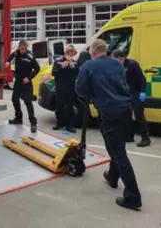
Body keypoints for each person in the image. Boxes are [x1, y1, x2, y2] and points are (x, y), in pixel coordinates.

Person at [76, 39, 142, 210]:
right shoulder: (118, 64)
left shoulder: (88, 66)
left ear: (93, 51)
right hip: (126, 109)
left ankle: (133, 196)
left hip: (109, 110)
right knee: (116, 146)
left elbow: (81, 91)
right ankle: (113, 176)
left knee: (119, 152)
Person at [111, 50, 151, 147]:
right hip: (125, 94)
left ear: (121, 58)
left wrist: (142, 91)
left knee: (139, 116)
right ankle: (128, 136)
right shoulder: (117, 66)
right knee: (126, 115)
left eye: (114, 59)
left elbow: (142, 78)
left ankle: (145, 138)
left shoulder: (132, 64)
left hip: (135, 93)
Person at [5, 39, 40, 132]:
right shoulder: (16, 53)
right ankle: (18, 118)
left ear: (26, 48)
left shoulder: (30, 57)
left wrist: (29, 78)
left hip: (26, 83)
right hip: (18, 82)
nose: (23, 51)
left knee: (28, 102)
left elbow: (37, 69)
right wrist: (8, 62)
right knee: (14, 99)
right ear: (19, 47)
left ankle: (33, 123)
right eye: (21, 49)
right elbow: (10, 57)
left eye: (24, 49)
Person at [52, 44, 79, 133]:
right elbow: (53, 72)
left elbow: (77, 73)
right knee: (59, 106)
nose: (70, 54)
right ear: (65, 52)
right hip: (60, 87)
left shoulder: (75, 62)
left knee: (70, 106)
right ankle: (59, 123)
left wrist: (73, 66)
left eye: (72, 52)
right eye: (69, 52)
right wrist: (61, 67)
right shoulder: (58, 61)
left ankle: (69, 125)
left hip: (70, 88)